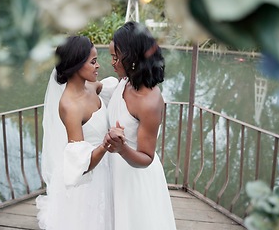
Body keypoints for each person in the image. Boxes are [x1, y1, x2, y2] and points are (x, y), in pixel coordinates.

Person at [104, 21, 177, 230]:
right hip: (116, 172)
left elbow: (146, 157)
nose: (112, 62)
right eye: (112, 56)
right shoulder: (125, 81)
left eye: (116, 57)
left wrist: (121, 148)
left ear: (133, 56)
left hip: (136, 180)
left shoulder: (149, 102)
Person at [36, 36, 114, 230]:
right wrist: (106, 144)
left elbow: (115, 89)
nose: (98, 66)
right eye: (93, 61)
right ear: (76, 64)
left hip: (109, 167)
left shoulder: (92, 87)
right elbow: (81, 166)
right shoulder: (70, 106)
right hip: (89, 182)